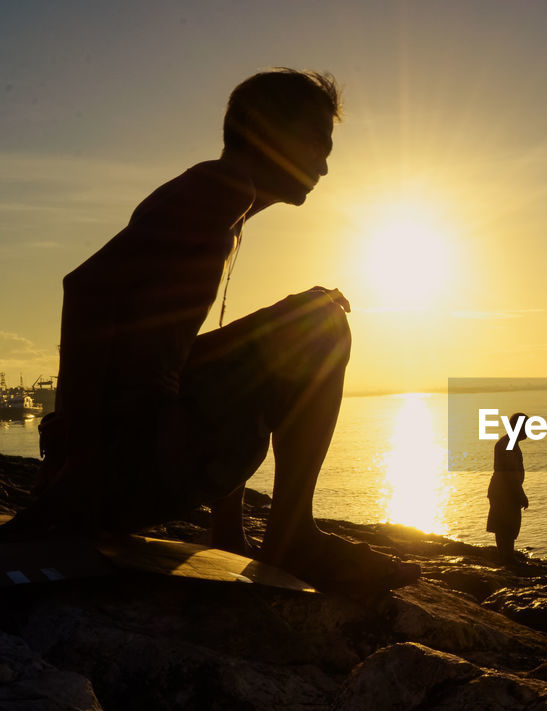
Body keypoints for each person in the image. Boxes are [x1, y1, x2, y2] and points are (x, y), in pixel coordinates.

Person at [0, 68, 417, 592]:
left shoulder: (223, 200)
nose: (325, 166)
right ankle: (292, 537)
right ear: (271, 132)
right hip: (118, 473)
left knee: (303, 314)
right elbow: (86, 288)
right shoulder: (217, 188)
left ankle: (230, 530)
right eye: (318, 144)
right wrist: (78, 460)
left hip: (127, 468)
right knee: (320, 324)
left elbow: (194, 363)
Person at [486, 412, 529, 564]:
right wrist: (521, 495)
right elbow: (509, 476)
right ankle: (507, 558)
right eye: (526, 427)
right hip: (504, 492)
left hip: (504, 491)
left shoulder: (509, 443)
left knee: (507, 526)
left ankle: (506, 557)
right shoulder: (507, 444)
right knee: (506, 527)